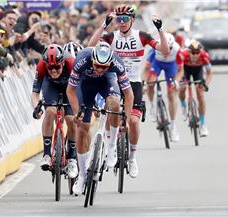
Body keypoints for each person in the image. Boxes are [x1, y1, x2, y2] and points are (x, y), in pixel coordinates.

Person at [88, 4, 170, 178]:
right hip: (114, 81)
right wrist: (103, 26)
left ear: (132, 20)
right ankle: (111, 148)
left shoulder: (142, 36)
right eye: (119, 19)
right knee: (113, 111)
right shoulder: (111, 37)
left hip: (134, 83)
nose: (122, 22)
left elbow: (165, 50)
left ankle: (132, 158)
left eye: (125, 19)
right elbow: (90, 46)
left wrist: (160, 30)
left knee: (133, 122)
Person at [66, 41, 134, 194]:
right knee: (82, 128)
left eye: (104, 67)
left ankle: (111, 148)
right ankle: (82, 175)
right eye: (97, 65)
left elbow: (129, 94)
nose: (100, 69)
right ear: (93, 60)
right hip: (85, 85)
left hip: (107, 82)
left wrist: (126, 119)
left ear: (110, 63)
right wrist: (78, 112)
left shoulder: (116, 63)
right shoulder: (82, 59)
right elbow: (70, 91)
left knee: (115, 105)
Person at [31, 44, 78, 179]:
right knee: (50, 111)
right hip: (50, 86)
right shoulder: (41, 66)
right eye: (50, 68)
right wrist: (36, 107)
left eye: (57, 67)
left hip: (70, 88)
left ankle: (73, 158)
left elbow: (79, 90)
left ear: (62, 62)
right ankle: (47, 154)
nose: (53, 71)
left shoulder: (71, 64)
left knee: (71, 119)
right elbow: (35, 93)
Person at [145, 32, 184, 142]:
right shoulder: (154, 49)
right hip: (157, 63)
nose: (167, 51)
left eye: (170, 48)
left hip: (171, 66)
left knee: (172, 94)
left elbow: (181, 70)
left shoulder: (177, 50)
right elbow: (146, 69)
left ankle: (173, 126)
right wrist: (143, 82)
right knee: (151, 83)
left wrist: (176, 81)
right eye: (164, 48)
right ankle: (152, 106)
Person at [179, 39, 212, 137]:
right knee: (182, 88)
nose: (195, 55)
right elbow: (177, 69)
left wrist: (206, 84)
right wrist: (181, 81)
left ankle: (202, 124)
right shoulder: (183, 54)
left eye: (197, 52)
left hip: (198, 71)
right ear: (189, 51)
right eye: (193, 53)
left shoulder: (204, 55)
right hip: (185, 70)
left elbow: (209, 73)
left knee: (200, 95)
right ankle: (183, 105)